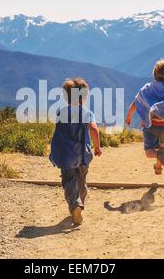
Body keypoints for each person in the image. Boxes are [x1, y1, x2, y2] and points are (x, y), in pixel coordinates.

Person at [49, 78, 102, 225]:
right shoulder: (87, 113)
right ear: (84, 97)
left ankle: (75, 205)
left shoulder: (61, 112)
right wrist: (97, 147)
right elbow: (93, 128)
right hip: (83, 154)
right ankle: (81, 198)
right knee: (82, 179)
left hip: (66, 155)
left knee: (69, 181)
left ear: (66, 97)